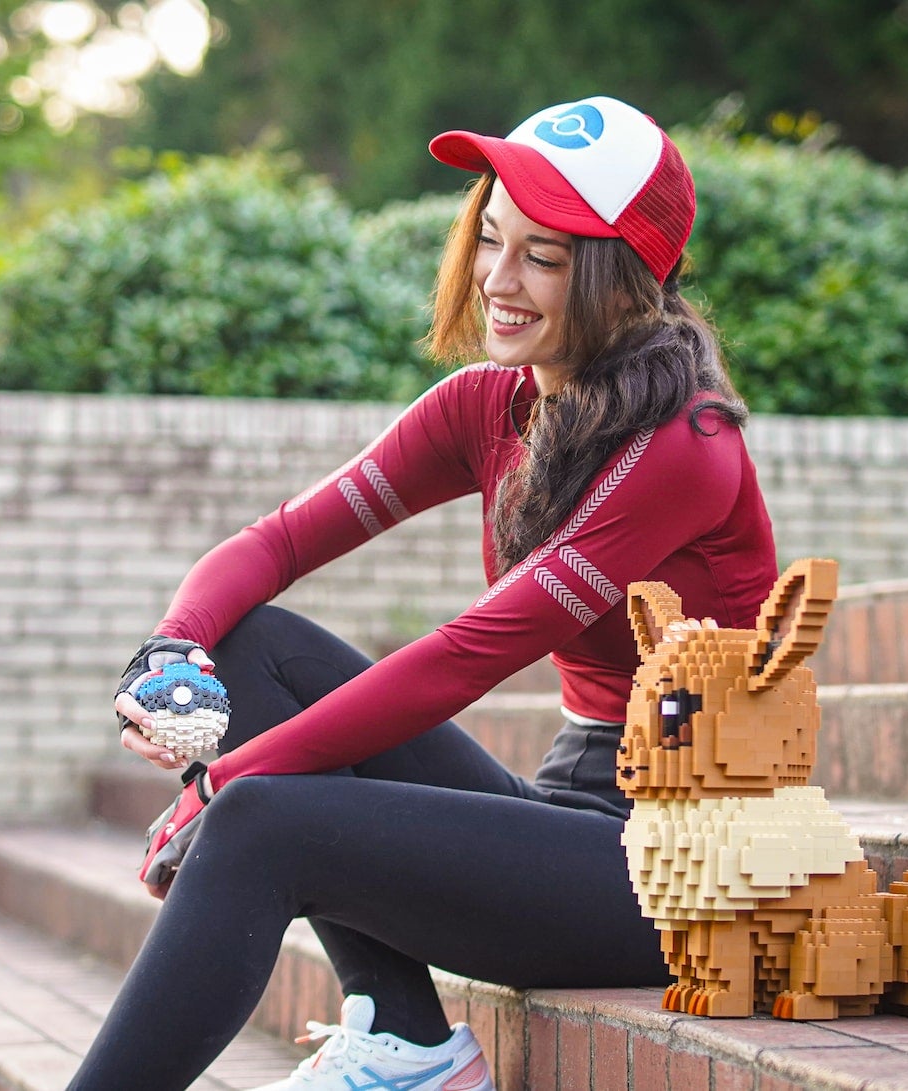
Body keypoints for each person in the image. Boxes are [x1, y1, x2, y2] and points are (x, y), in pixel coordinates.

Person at [68, 96, 779, 1091]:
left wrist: (227, 782)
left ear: (624, 278)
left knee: (264, 817)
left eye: (542, 255)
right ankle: (402, 1036)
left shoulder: (685, 445)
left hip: (685, 872)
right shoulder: (490, 405)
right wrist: (171, 646)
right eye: (489, 239)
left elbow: (467, 653)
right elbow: (275, 541)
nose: (495, 278)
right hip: (574, 814)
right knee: (250, 645)